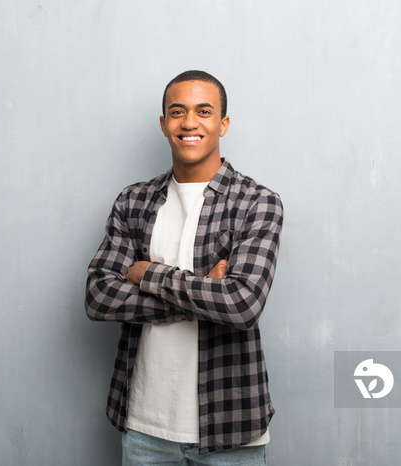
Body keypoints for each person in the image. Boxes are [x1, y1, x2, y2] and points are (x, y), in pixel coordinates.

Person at [85, 70, 283, 465]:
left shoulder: (257, 202)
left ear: (223, 123)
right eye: (177, 112)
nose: (189, 122)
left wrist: (148, 274)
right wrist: (202, 294)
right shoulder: (134, 201)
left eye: (203, 111)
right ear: (163, 124)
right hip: (145, 427)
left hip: (231, 429)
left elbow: (241, 305)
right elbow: (98, 296)